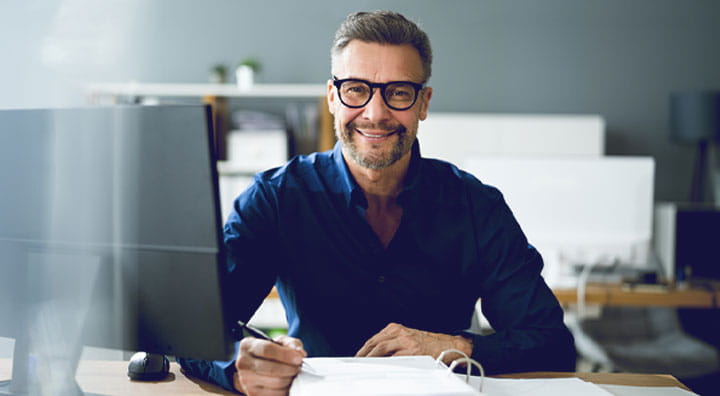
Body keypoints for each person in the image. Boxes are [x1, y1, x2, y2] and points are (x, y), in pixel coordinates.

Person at [179, 10, 576, 395]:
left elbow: (551, 345)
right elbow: (194, 332)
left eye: (399, 93)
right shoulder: (276, 198)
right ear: (333, 97)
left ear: (423, 103)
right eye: (356, 89)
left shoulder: (476, 205)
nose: (375, 113)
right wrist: (238, 366)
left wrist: (452, 348)